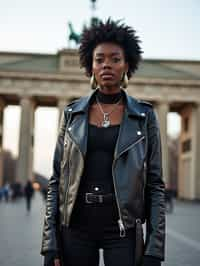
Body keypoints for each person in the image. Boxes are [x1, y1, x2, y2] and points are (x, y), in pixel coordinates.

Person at [40, 18, 165, 266]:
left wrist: (155, 248)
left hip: (123, 229)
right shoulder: (72, 114)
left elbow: (155, 185)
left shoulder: (144, 116)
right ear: (91, 66)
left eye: (115, 59)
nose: (107, 64)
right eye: (100, 59)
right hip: (75, 228)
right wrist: (50, 244)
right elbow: (57, 181)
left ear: (126, 65)